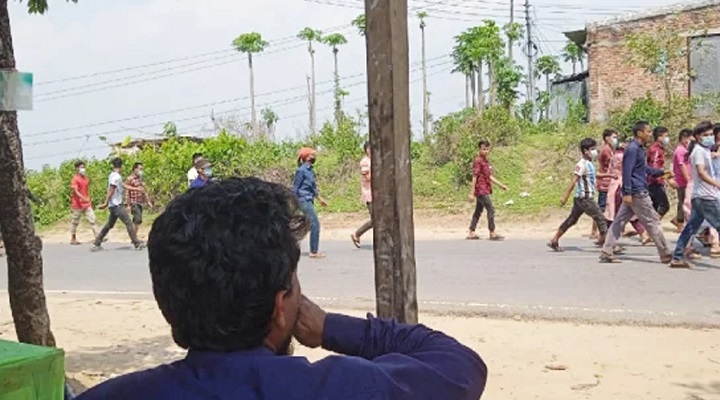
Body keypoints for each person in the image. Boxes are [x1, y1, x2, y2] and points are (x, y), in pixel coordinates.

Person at [74, 177, 488, 400]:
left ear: (168, 306)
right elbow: (459, 365)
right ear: (280, 305)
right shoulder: (347, 387)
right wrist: (328, 327)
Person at [600, 121, 672, 264]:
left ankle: (607, 250)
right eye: (648, 132)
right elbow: (627, 171)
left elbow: (644, 169)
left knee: (619, 222)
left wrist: (661, 172)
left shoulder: (639, 149)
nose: (650, 134)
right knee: (652, 222)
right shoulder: (632, 149)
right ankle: (665, 253)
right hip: (637, 191)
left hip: (635, 190)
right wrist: (627, 192)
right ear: (639, 133)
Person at [548, 138, 615, 251]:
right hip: (584, 198)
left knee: (572, 220)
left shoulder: (589, 164)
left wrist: (609, 175)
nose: (595, 151)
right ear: (585, 151)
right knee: (600, 218)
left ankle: (554, 240)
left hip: (581, 198)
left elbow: (594, 174)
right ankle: (609, 245)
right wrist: (565, 197)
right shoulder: (581, 164)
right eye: (592, 149)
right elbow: (574, 180)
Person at [670, 121, 720, 268]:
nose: (710, 137)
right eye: (706, 135)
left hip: (702, 196)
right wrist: (716, 184)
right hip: (706, 196)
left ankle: (677, 256)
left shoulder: (705, 150)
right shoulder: (698, 151)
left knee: (691, 227)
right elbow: (701, 172)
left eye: (711, 134)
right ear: (697, 137)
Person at [92, 158, 145, 251]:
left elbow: (123, 185)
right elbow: (111, 189)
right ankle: (136, 243)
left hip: (114, 205)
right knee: (128, 222)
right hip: (117, 205)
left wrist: (136, 189)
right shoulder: (116, 177)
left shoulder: (113, 175)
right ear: (121, 166)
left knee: (109, 225)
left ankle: (97, 242)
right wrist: (106, 202)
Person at [603, 139, 650, 245]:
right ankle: (609, 241)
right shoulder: (623, 156)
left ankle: (607, 239)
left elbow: (610, 171)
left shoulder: (614, 156)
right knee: (624, 214)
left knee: (615, 214)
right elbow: (628, 171)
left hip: (614, 186)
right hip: (622, 185)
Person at [466, 140, 508, 241]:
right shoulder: (478, 161)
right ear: (479, 149)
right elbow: (474, 177)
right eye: (484, 149)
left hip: (485, 188)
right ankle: (492, 232)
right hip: (481, 189)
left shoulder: (485, 161)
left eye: (487, 149)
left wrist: (501, 185)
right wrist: (471, 193)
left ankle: (471, 231)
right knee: (491, 209)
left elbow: (489, 176)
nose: (486, 151)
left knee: (478, 211)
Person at [293, 147, 328, 259]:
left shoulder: (310, 171)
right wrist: (293, 202)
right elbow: (296, 188)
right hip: (303, 200)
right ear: (307, 157)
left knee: (306, 225)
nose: (314, 157)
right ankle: (313, 251)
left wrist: (319, 198)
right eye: (312, 155)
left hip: (308, 199)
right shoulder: (301, 171)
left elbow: (312, 187)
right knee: (315, 225)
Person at [590, 129, 618, 239]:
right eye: (613, 137)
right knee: (601, 208)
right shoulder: (606, 150)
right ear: (607, 138)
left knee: (607, 207)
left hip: (609, 182)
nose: (615, 140)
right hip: (604, 182)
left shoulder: (610, 149)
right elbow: (613, 162)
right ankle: (594, 231)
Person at [69, 161, 99, 245]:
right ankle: (73, 238)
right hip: (77, 204)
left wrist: (87, 199)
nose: (83, 169)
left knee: (93, 219)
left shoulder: (86, 179)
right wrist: (83, 197)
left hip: (86, 204)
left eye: (84, 167)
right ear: (77, 168)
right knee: (75, 222)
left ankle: (97, 237)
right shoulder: (75, 179)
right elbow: (75, 191)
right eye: (81, 167)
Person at [647, 126, 673, 219]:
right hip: (655, 182)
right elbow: (655, 167)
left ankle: (651, 227)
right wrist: (665, 174)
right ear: (659, 137)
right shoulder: (656, 150)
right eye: (666, 136)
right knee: (664, 206)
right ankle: (652, 225)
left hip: (654, 181)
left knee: (654, 207)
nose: (667, 138)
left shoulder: (659, 149)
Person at [351, 141, 372, 248]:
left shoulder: (373, 160)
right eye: (369, 148)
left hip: (376, 193)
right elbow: (368, 178)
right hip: (369, 193)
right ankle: (357, 234)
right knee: (376, 219)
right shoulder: (365, 162)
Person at [672, 129, 694, 232]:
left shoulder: (685, 150)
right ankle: (680, 224)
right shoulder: (680, 151)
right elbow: (682, 166)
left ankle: (677, 220)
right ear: (684, 138)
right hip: (682, 181)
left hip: (686, 180)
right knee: (683, 203)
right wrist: (688, 180)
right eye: (689, 138)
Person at [125, 162, 152, 236]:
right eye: (140, 169)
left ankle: (134, 236)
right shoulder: (130, 179)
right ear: (135, 169)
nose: (141, 171)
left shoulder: (140, 179)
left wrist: (148, 201)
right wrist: (128, 205)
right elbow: (127, 192)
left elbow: (144, 191)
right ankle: (133, 237)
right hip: (134, 202)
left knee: (137, 220)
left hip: (140, 202)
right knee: (137, 219)